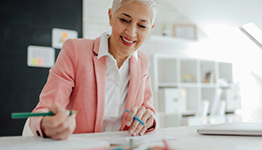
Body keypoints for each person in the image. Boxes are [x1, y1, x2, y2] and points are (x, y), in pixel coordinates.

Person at [29, 0, 158, 140]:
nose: (131, 32)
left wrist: (147, 118)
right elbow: (43, 110)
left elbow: (148, 110)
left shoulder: (143, 62)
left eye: (142, 26)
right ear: (110, 16)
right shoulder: (75, 51)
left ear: (151, 27)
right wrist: (47, 124)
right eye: (124, 20)